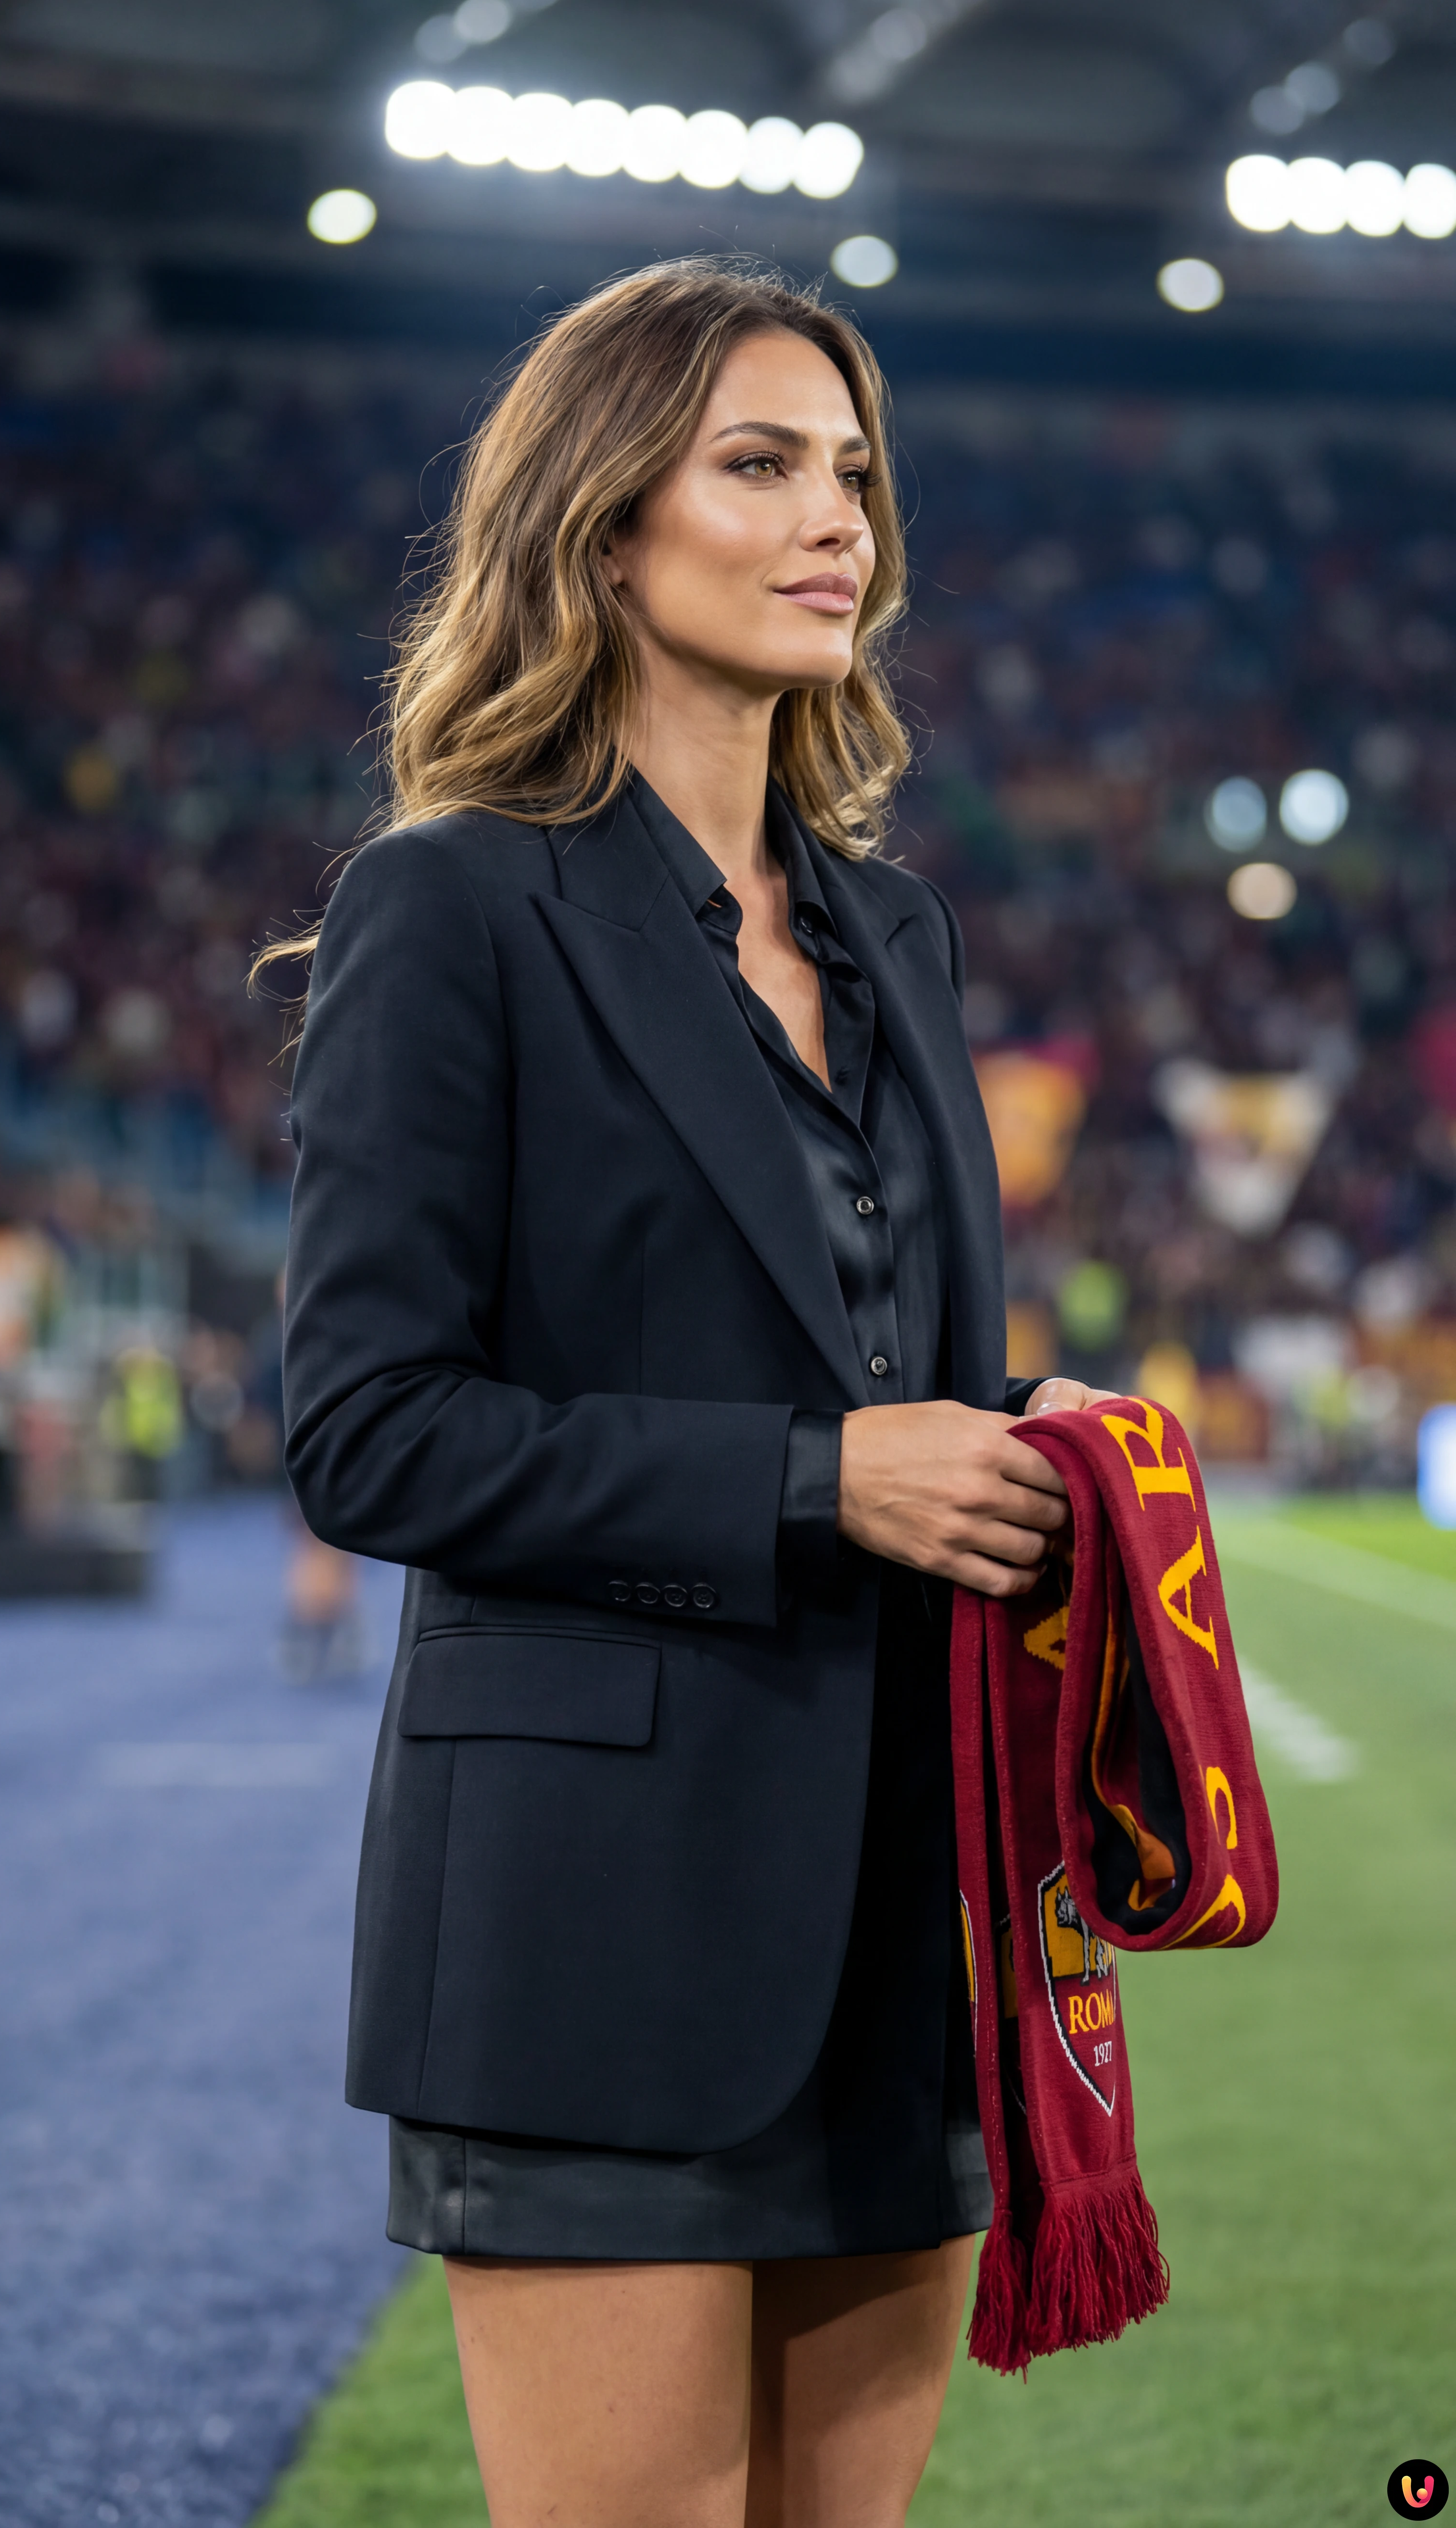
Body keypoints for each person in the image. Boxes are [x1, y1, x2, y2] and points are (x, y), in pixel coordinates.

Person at [279, 260, 1105, 2528]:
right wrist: (829, 1475)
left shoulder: (898, 932)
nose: (837, 515)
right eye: (759, 462)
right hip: (593, 1930)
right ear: (601, 519)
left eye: (852, 470)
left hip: (902, 1915)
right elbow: (367, 1427)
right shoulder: (449, 906)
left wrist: (1044, 1438)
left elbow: (883, 1364)